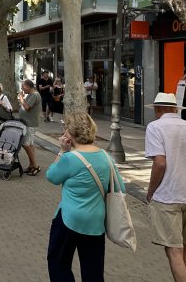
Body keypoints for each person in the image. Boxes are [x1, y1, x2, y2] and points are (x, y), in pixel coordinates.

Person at [46, 112, 126, 282]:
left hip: (69, 218)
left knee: (58, 262)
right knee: (93, 270)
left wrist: (61, 150)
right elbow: (120, 187)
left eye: (66, 129)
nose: (64, 132)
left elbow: (52, 176)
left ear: (71, 133)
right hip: (95, 221)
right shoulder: (106, 157)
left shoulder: (70, 158)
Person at [145, 92, 186, 282]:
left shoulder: (155, 127)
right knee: (185, 247)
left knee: (174, 249)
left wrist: (150, 191)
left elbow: (159, 163)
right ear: (175, 109)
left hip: (168, 195)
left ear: (157, 109)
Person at [18, 79, 42, 176]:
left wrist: (21, 98)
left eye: (23, 86)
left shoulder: (34, 95)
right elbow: (25, 107)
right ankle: (32, 165)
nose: (22, 89)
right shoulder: (31, 95)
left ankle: (35, 166)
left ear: (28, 86)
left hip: (30, 124)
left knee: (25, 144)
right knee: (30, 144)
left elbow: (27, 107)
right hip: (27, 123)